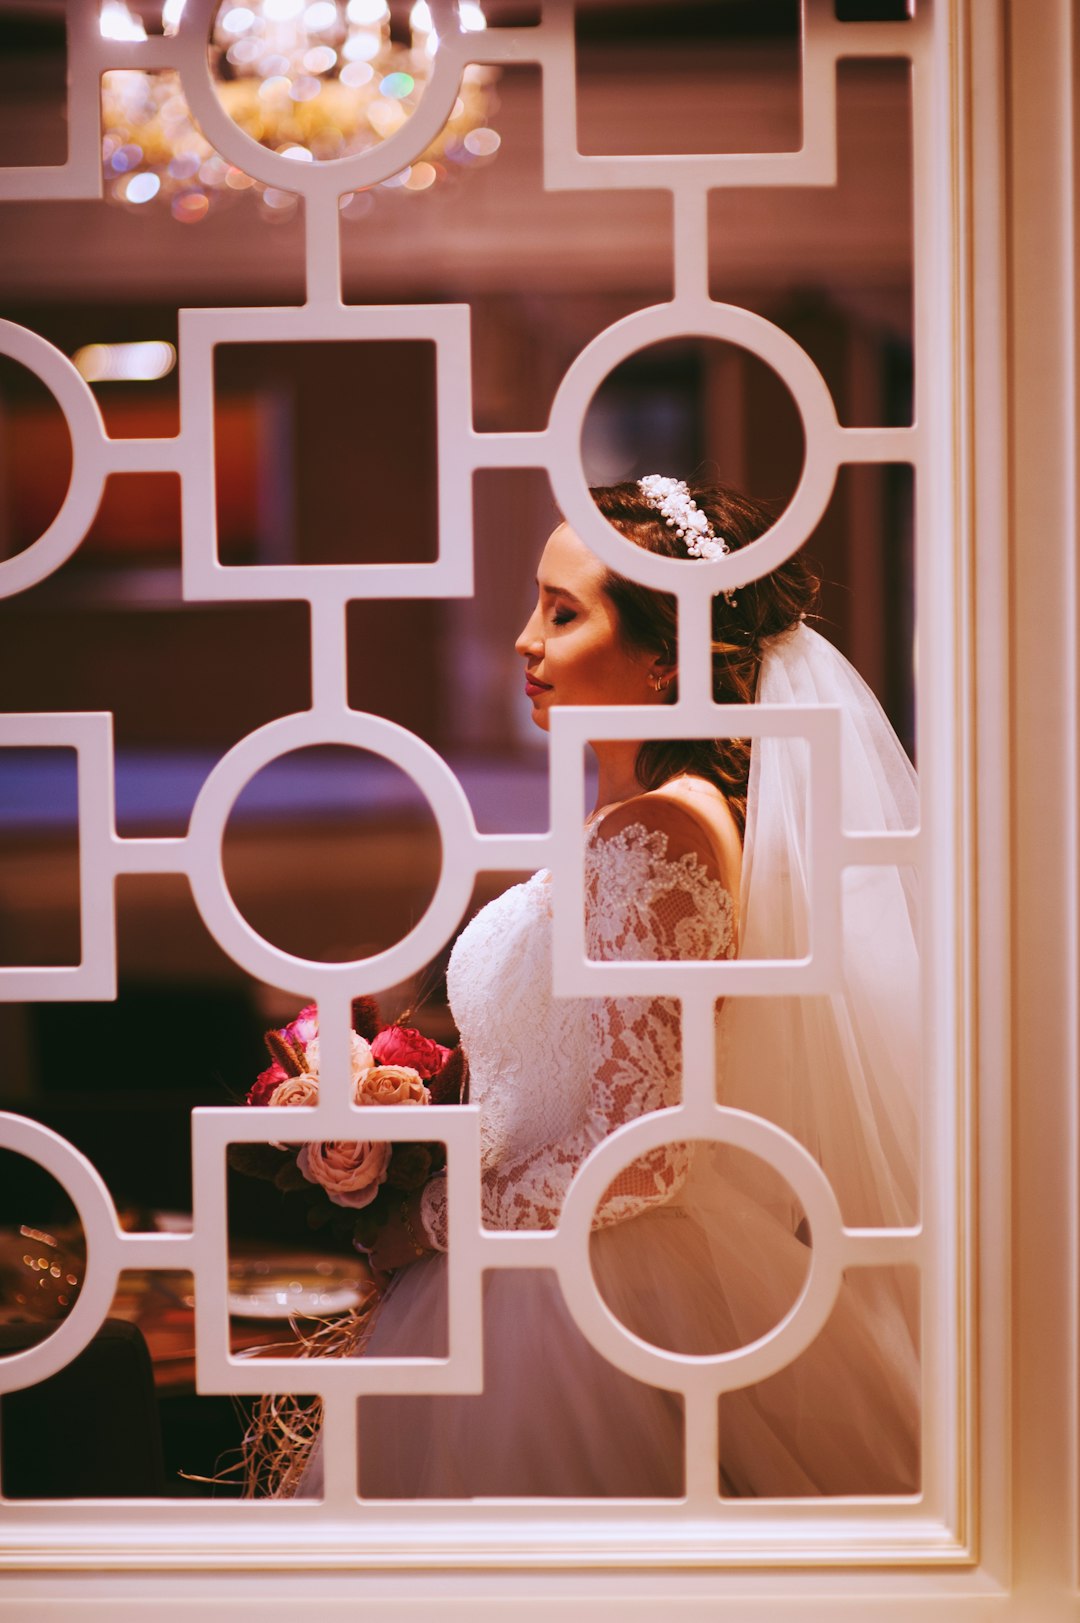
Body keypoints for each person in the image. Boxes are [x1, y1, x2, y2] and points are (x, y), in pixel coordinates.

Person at [299, 477, 920, 1500]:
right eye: (534, 603)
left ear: (664, 657)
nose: (524, 643)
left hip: (589, 1305)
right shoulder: (637, 819)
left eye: (563, 612)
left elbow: (645, 1154)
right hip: (551, 1265)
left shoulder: (660, 835)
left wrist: (434, 1219)